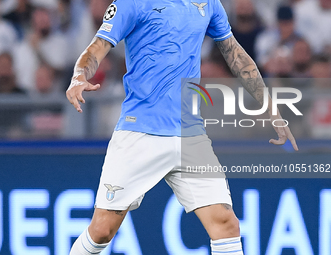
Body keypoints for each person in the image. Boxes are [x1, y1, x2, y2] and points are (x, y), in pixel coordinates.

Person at [66, 0, 298, 254]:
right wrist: (79, 76)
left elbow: (236, 55)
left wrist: (269, 106)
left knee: (226, 223)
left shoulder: (209, 3)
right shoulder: (131, 3)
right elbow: (97, 47)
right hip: (139, 131)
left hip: (190, 134)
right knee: (102, 230)